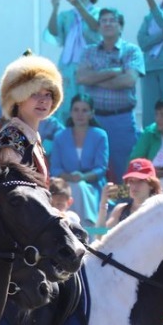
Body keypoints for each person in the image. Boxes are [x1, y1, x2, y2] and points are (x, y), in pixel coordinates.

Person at [0, 54, 71, 325]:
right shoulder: (11, 135)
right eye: (35, 93)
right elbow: (14, 198)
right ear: (16, 97)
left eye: (49, 94)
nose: (44, 100)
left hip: (30, 234)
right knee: (47, 288)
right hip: (11, 239)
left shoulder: (32, 137)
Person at [78, 5, 144, 182]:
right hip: (93, 120)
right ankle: (97, 199)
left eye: (112, 21)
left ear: (120, 26)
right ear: (99, 27)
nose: (107, 24)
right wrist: (113, 72)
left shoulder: (131, 51)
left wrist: (95, 78)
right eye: (103, 21)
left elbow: (129, 80)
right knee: (92, 165)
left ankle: (123, 199)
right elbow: (81, 78)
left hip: (121, 119)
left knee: (123, 167)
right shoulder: (89, 51)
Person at [49, 94, 109, 226]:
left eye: (84, 110)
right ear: (71, 113)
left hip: (93, 186)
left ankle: (85, 227)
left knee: (80, 187)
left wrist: (83, 177)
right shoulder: (60, 136)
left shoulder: (100, 135)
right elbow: (55, 169)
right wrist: (71, 178)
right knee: (76, 187)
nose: (79, 114)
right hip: (65, 186)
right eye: (76, 110)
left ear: (92, 113)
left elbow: (101, 168)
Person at [44, 0, 100, 102]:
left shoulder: (98, 12)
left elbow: (95, 26)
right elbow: (53, 32)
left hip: (90, 66)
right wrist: (55, 8)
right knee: (67, 102)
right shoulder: (66, 15)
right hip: (68, 66)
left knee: (87, 102)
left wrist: (79, 5)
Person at [100, 157, 161, 228]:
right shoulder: (120, 210)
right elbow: (99, 234)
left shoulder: (160, 210)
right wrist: (103, 205)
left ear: (151, 185)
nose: (134, 186)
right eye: (131, 181)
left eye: (140, 181)